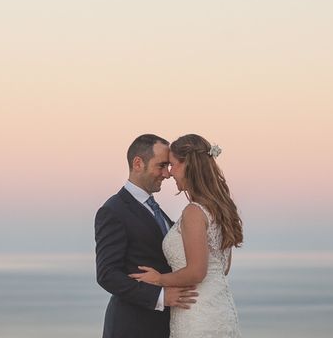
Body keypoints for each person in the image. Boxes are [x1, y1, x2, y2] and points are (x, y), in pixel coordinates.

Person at [130, 134, 243, 337]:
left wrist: (159, 279)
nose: (170, 173)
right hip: (220, 311)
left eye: (173, 165)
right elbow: (222, 268)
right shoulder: (220, 209)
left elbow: (197, 272)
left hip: (196, 314)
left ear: (188, 165)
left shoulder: (194, 212)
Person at [95, 134, 199, 338]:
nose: (167, 174)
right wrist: (161, 296)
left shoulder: (157, 211)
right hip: (133, 326)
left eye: (168, 166)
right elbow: (107, 274)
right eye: (161, 166)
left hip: (166, 326)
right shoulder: (113, 211)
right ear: (138, 163)